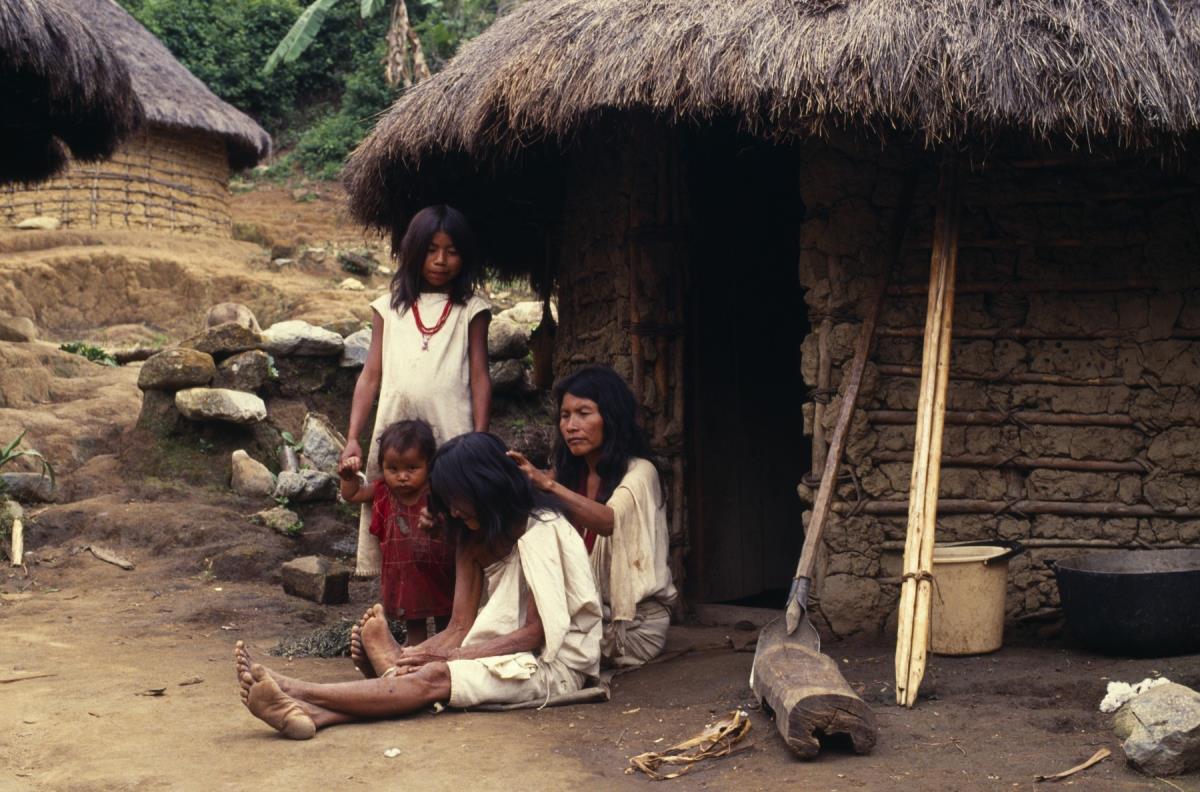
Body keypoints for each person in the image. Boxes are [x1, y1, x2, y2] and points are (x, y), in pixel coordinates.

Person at [234, 433, 602, 739]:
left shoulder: (544, 530)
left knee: (437, 675)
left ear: (485, 487)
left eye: (460, 500)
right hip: (500, 652)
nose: (455, 512)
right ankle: (316, 714)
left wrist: (443, 658)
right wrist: (420, 655)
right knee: (425, 671)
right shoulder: (471, 538)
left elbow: (533, 635)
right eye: (449, 502)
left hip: (548, 667)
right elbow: (459, 627)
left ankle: (296, 690)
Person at [341, 205, 493, 578]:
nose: (441, 260)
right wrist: (352, 438)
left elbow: (479, 376)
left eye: (452, 251)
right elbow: (370, 375)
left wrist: (480, 437)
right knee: (398, 524)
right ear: (414, 250)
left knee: (452, 520)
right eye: (431, 249)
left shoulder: (470, 309)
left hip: (451, 433)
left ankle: (455, 614)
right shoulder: (389, 307)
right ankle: (405, 608)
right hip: (395, 434)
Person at [509, 365, 678, 668]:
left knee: (530, 652)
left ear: (610, 418)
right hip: (588, 615)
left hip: (634, 626)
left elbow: (608, 522)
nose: (572, 425)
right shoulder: (569, 473)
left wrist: (547, 485)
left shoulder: (640, 472)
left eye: (584, 413)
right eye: (565, 416)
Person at [338, 419, 452, 650]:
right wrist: (348, 477)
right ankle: (414, 654)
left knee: (447, 623)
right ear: (382, 467)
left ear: (429, 465)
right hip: (403, 575)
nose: (402, 476)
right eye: (393, 469)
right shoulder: (382, 491)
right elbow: (353, 494)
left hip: (440, 572)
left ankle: (445, 652)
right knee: (414, 624)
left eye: (412, 468)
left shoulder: (438, 491)